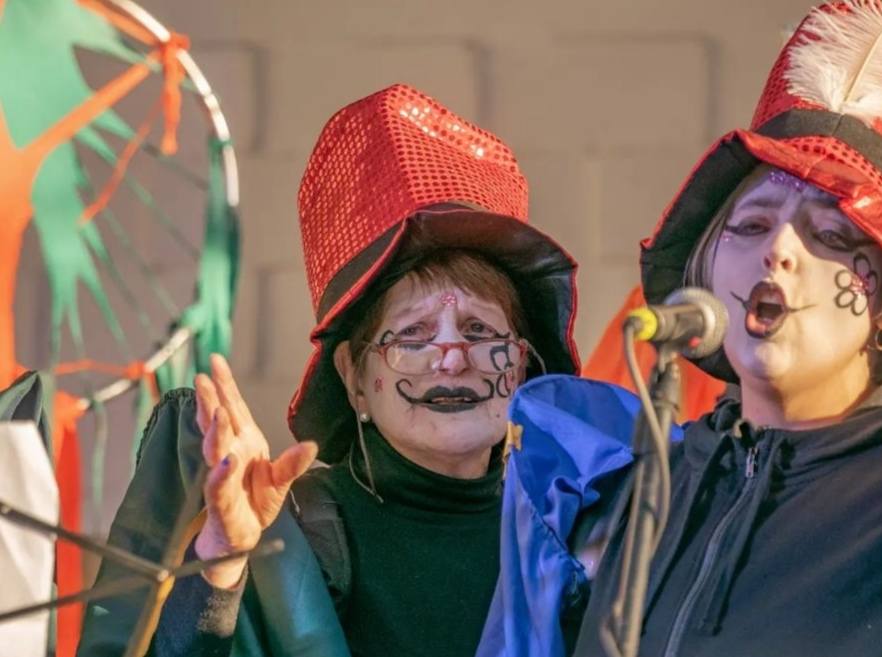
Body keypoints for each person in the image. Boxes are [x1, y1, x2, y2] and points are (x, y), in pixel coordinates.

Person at [76, 83, 580, 657]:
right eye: (412, 334)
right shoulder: (299, 536)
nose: (452, 356)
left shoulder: (576, 531)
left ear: (518, 364)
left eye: (479, 331)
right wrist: (222, 558)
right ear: (354, 378)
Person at [478, 2, 882, 656]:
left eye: (833, 233)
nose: (779, 247)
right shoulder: (616, 485)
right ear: (706, 268)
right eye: (750, 224)